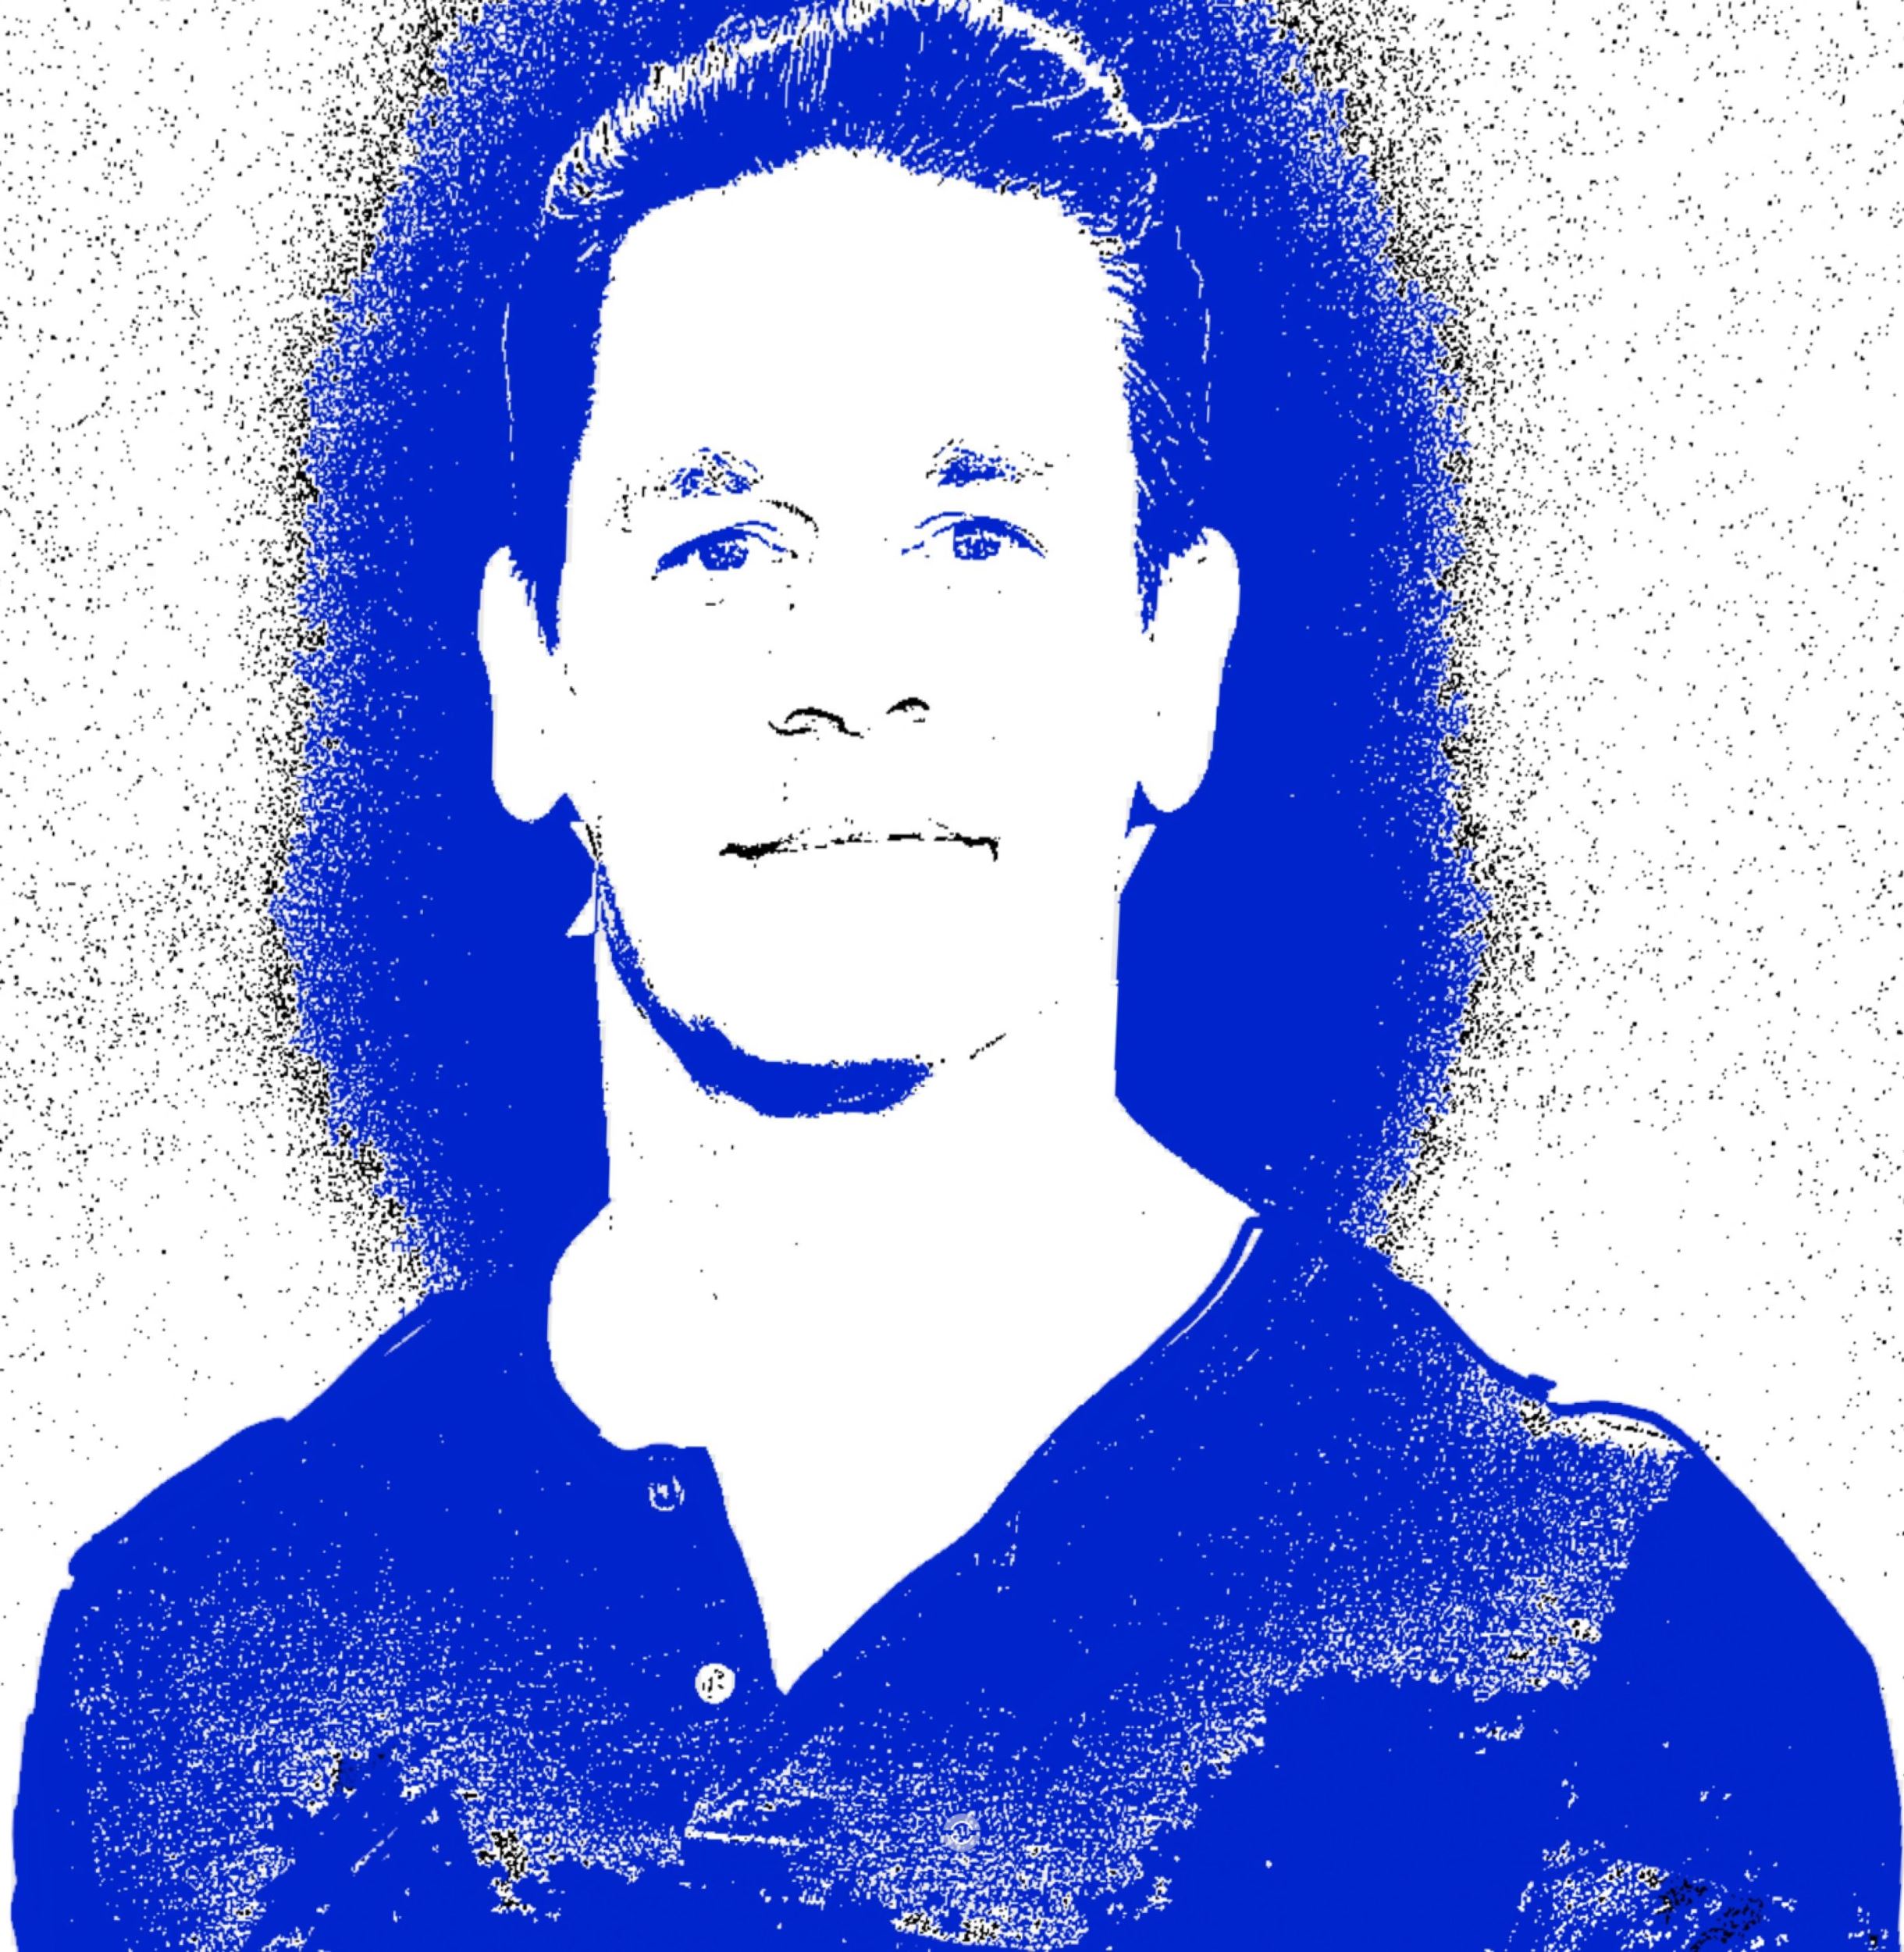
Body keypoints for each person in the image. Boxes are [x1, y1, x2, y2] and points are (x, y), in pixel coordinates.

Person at [14, 0, 1898, 1945]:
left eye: (978, 536)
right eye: (723, 546)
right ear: (532, 685)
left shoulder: (1602, 1638)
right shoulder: (198, 1658)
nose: (851, 671)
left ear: (1172, 668)